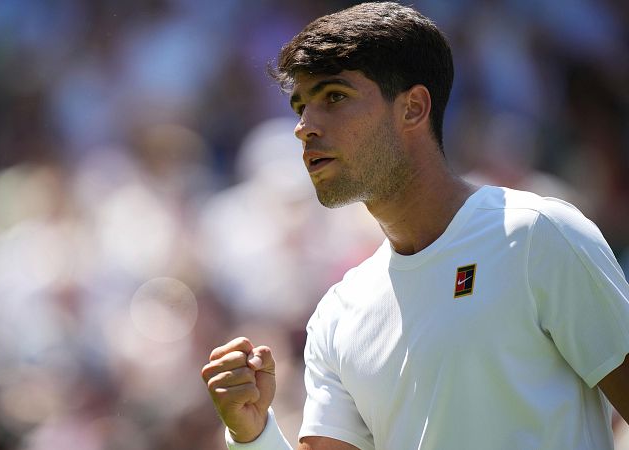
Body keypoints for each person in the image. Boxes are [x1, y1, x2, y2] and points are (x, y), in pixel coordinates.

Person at [200, 2, 629, 449]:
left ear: (413, 108)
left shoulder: (539, 235)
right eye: (301, 106)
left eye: (334, 97)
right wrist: (251, 435)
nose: (304, 127)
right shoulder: (337, 314)